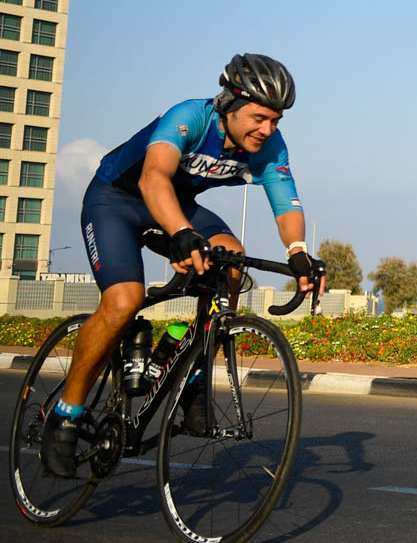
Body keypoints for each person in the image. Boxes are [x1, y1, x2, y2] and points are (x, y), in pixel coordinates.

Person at [40, 54, 323, 479]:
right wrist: (180, 232)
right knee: (124, 301)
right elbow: (153, 176)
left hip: (177, 207)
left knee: (231, 258)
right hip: (115, 201)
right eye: (259, 117)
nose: (267, 130)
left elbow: (286, 202)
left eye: (276, 120)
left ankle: (189, 367)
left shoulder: (269, 148)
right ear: (229, 103)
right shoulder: (190, 118)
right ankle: (66, 414)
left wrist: (298, 252)